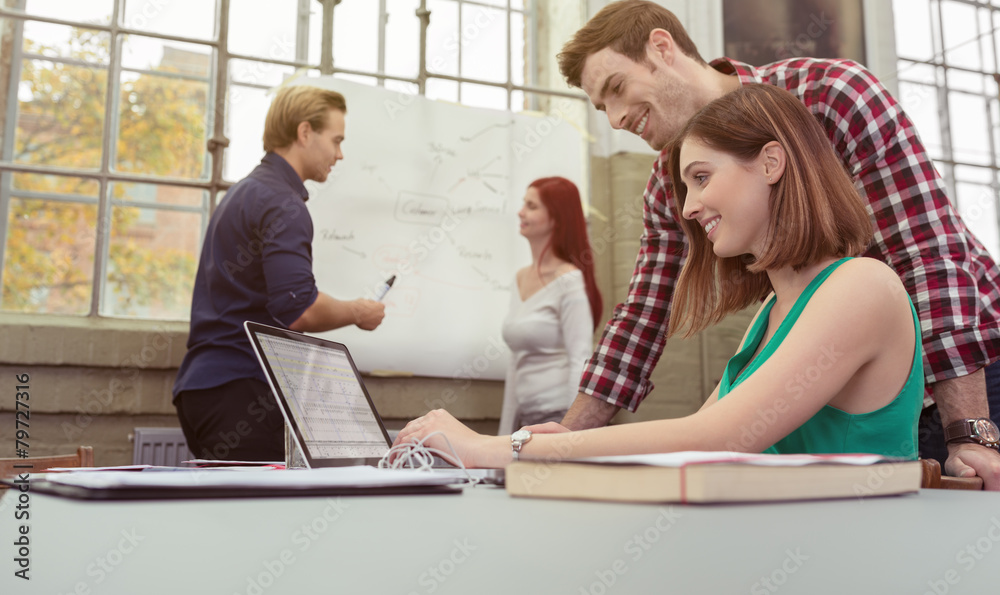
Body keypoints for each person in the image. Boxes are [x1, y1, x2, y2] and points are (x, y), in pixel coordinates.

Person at [552, 0, 1000, 489]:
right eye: (601, 108)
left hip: (969, 370)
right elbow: (641, 317)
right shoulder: (668, 185)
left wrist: (970, 432)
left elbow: (926, 256)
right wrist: (558, 443)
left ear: (662, 48)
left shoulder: (832, 95)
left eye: (616, 89)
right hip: (847, 396)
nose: (615, 119)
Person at [393, 84, 923, 465]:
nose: (689, 208)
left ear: (770, 163)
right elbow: (695, 442)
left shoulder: (861, 286)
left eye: (700, 178)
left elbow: (719, 437)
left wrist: (497, 447)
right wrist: (556, 448)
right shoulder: (772, 310)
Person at [173, 85, 385, 461]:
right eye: (336, 140)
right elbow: (298, 309)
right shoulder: (283, 204)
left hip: (203, 389)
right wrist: (358, 312)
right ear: (305, 133)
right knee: (265, 517)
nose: (340, 154)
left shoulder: (243, 193)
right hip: (241, 392)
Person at [499, 177, 603, 434]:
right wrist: (503, 434)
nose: (520, 212)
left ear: (556, 218)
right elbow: (515, 361)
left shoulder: (568, 280)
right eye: (524, 204)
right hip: (526, 419)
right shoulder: (520, 277)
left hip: (557, 416)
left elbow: (579, 358)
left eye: (531, 206)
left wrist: (568, 430)